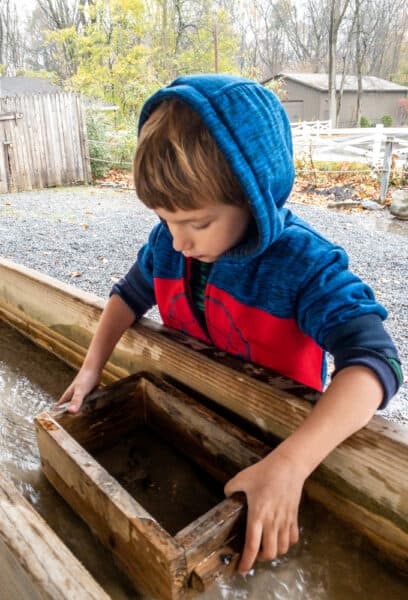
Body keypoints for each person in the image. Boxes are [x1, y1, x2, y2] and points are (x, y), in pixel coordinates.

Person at [58, 74, 403, 575]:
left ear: (253, 198)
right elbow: (127, 296)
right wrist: (91, 369)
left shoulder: (303, 266)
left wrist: (291, 464)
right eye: (165, 220)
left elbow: (376, 361)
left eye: (197, 224)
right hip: (200, 418)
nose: (177, 242)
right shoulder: (167, 245)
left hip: (284, 443)